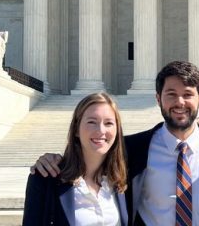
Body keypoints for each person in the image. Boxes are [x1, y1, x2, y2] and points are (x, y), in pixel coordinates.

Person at [35, 60, 199, 225]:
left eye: (187, 94)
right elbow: (91, 155)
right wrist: (53, 160)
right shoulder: (131, 149)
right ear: (158, 98)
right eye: (171, 94)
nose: (180, 102)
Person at [23, 93, 128, 225]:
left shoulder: (120, 181)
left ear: (117, 130)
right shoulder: (45, 178)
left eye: (108, 123)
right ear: (76, 129)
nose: (101, 130)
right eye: (91, 122)